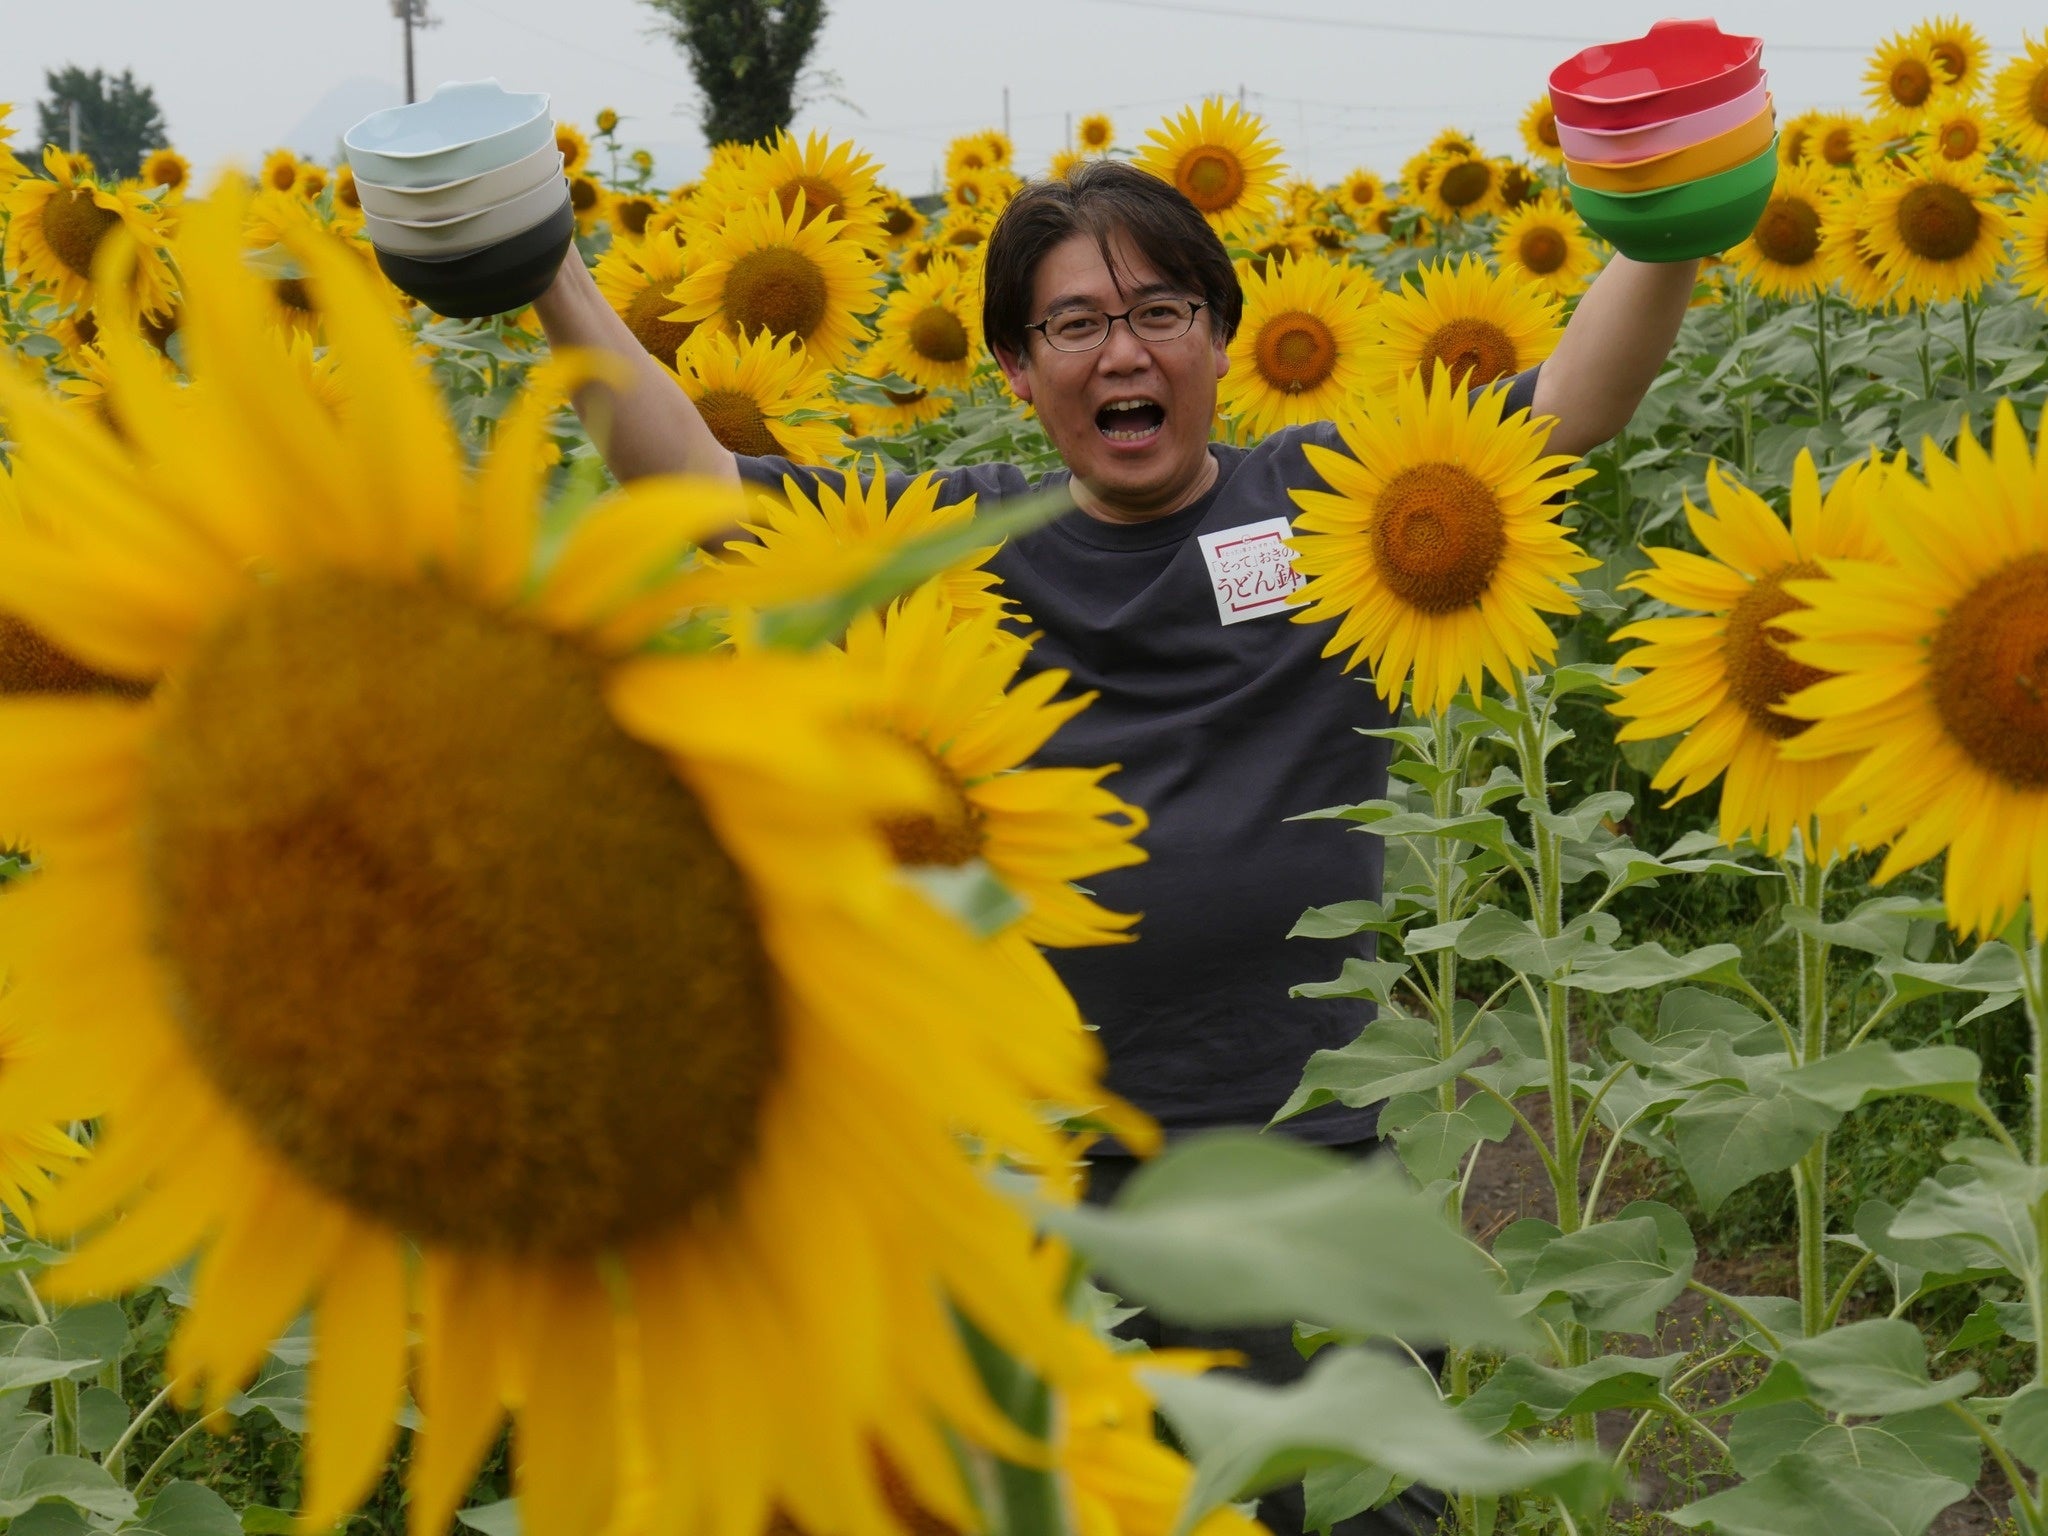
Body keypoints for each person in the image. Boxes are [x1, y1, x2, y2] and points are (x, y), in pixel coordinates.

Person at [533, 157, 1697, 1534]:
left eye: (1158, 311)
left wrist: (1674, 217)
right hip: (1057, 1183)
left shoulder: (1339, 503)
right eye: (1075, 324)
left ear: (1220, 335)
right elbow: (699, 486)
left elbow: (1568, 408)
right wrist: (547, 270)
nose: (1123, 351)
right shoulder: (969, 543)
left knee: (1363, 1502)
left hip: (1304, 1148)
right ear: (1019, 372)